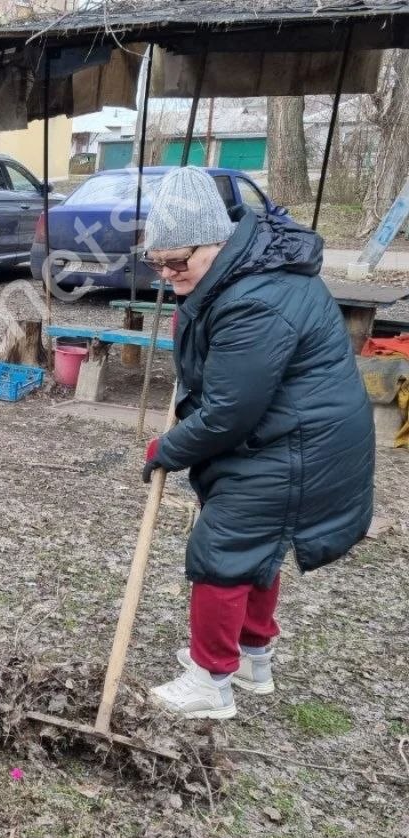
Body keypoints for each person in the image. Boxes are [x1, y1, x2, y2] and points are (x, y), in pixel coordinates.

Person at [139, 166, 374, 720]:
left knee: (222, 553)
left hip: (296, 447)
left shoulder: (257, 298)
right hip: (294, 433)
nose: (168, 274)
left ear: (216, 242)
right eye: (156, 263)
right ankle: (250, 659)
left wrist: (166, 449)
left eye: (178, 262)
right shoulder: (241, 268)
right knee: (255, 550)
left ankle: (210, 682)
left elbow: (229, 413)